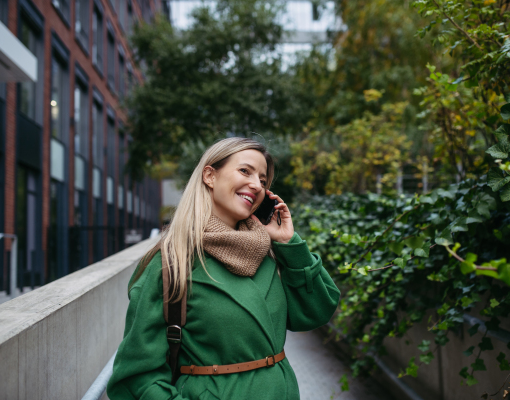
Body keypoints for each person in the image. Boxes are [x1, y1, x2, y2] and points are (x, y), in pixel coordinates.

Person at [107, 138, 341, 400]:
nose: (257, 185)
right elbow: (137, 376)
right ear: (209, 175)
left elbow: (317, 311)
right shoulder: (172, 261)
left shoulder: (268, 252)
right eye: (245, 171)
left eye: (263, 181)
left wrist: (289, 242)